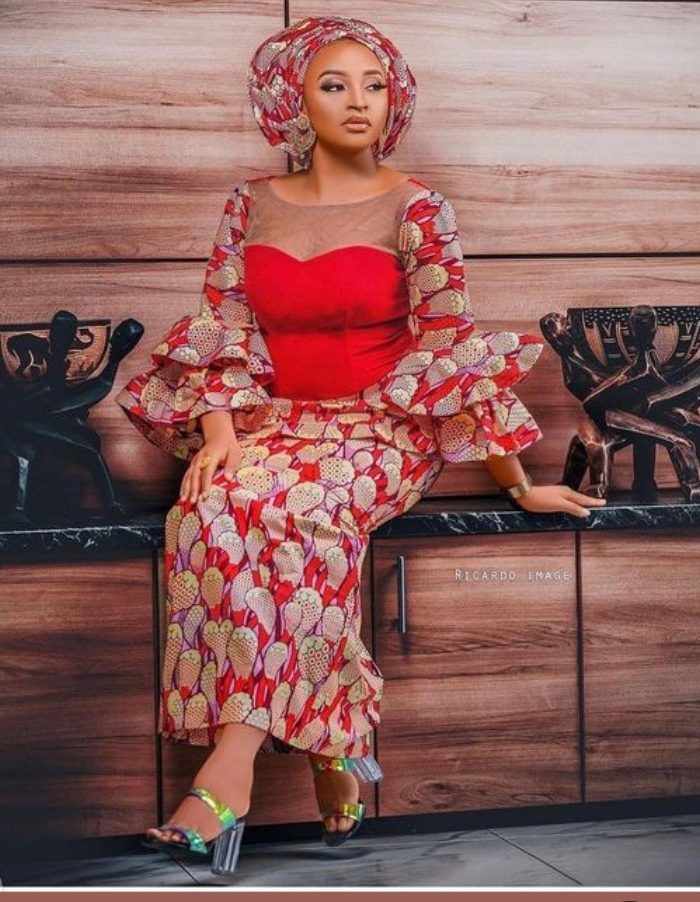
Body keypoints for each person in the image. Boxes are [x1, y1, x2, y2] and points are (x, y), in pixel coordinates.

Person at [115, 13, 606, 877]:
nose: (358, 102)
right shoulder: (247, 203)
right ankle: (335, 742)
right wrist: (220, 434)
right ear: (295, 102)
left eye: (374, 86)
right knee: (208, 509)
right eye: (334, 85)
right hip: (274, 422)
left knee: (298, 512)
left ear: (394, 100)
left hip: (382, 427)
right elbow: (224, 326)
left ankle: (224, 777)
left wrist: (519, 483)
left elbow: (450, 350)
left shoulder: (419, 208)